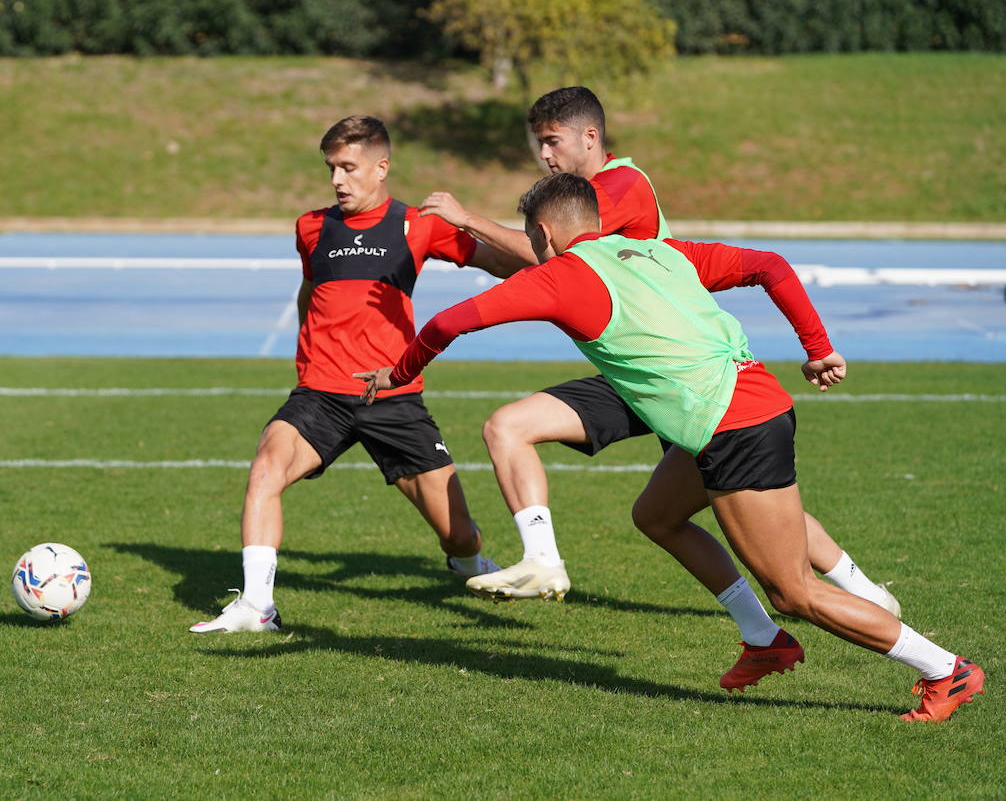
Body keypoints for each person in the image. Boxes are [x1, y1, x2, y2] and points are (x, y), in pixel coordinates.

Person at [357, 172, 984, 721]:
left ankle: (945, 669)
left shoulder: (561, 277)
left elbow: (449, 320)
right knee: (656, 515)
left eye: (533, 237)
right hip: (742, 405)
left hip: (732, 426)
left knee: (794, 590)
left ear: (544, 231)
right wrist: (817, 347)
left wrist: (401, 372)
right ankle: (764, 641)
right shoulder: (657, 251)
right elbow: (768, 264)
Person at [419, 87, 901, 688]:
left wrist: (467, 222)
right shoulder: (575, 206)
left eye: (552, 141)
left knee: (756, 512)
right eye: (537, 142)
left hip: (674, 371)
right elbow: (531, 265)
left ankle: (861, 598)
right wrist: (460, 250)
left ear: (589, 137)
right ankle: (759, 632)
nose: (543, 154)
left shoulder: (618, 189)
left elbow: (549, 262)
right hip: (636, 367)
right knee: (529, 436)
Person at [189, 115, 535, 633]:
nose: (337, 180)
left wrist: (468, 218)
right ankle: (257, 606)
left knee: (461, 536)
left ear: (381, 167)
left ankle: (463, 563)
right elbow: (312, 289)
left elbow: (512, 264)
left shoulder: (417, 225)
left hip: (392, 397)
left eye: (348, 168)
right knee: (265, 468)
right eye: (331, 168)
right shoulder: (312, 226)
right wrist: (308, 347)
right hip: (320, 396)